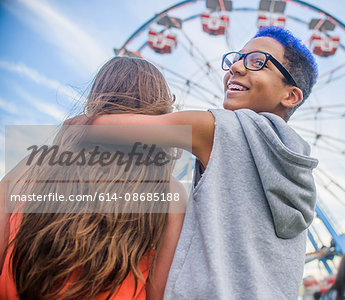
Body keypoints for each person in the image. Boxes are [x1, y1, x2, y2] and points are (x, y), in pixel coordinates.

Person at [89, 25, 319, 299]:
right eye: (236, 58)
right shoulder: (299, 170)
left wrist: (77, 124)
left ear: (290, 96)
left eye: (257, 62)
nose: (236, 67)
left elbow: (103, 127)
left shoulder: (219, 128)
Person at [0, 56, 187, 299]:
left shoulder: (36, 165)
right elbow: (158, 293)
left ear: (95, 100)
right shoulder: (170, 193)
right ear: (160, 108)